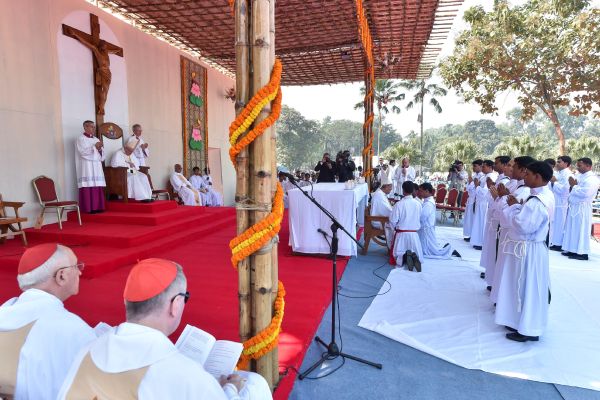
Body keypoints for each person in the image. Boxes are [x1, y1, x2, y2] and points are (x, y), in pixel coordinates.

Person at [58, 258, 272, 399]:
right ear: (175, 304)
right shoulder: (184, 374)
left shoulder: (87, 349)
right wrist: (231, 388)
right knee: (254, 384)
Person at [0, 244, 95, 400]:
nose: (80, 271)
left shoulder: (5, 311)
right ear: (61, 276)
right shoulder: (72, 329)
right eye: (76, 266)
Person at [494, 161, 555, 342]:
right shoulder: (545, 195)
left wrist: (513, 207)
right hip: (533, 248)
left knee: (527, 287)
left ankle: (528, 328)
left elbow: (523, 225)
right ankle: (522, 321)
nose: (524, 177)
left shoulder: (537, 201)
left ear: (537, 177)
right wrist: (519, 207)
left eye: (527, 174)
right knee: (526, 287)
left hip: (529, 250)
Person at [490, 156, 533, 304]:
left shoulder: (524, 191)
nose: (510, 169)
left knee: (510, 272)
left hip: (514, 236)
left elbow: (509, 215)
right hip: (508, 234)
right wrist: (502, 198)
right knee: (503, 269)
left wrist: (500, 198)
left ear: (523, 170)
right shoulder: (517, 187)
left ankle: (504, 302)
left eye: (512, 166)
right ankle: (500, 298)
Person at [480, 156, 511, 287]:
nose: (494, 164)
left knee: (496, 249)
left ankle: (493, 278)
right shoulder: (500, 179)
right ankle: (490, 273)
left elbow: (502, 201)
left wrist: (497, 197)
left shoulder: (506, 181)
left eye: (497, 163)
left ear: (504, 165)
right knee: (491, 247)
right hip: (494, 215)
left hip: (500, 219)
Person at [561, 157, 600, 260]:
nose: (577, 168)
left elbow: (586, 193)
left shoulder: (592, 179)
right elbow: (571, 188)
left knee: (581, 230)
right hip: (574, 206)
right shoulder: (580, 176)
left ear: (588, 166)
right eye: (577, 165)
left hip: (583, 208)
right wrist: (572, 187)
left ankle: (582, 253)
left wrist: (574, 186)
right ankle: (572, 249)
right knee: (572, 229)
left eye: (580, 165)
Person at [417, 183, 460, 259]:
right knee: (430, 248)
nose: (419, 193)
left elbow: (422, 217)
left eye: (421, 191)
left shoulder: (428, 204)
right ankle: (447, 249)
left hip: (426, 229)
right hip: (427, 228)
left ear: (427, 191)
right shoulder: (428, 201)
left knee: (432, 252)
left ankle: (449, 250)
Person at [389, 181, 423, 269]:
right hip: (414, 235)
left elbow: (393, 221)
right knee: (415, 251)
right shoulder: (418, 204)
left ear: (403, 191)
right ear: (413, 191)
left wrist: (394, 230)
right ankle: (414, 257)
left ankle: (403, 258)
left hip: (402, 235)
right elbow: (419, 218)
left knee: (399, 255)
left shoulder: (399, 204)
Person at [75, 120, 106, 213]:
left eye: (94, 127)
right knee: (88, 184)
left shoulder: (96, 139)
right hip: (86, 166)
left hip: (96, 166)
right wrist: (94, 147)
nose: (93, 128)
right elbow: (82, 152)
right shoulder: (81, 139)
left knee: (96, 184)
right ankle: (88, 208)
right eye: (91, 127)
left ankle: (98, 207)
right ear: (85, 127)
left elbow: (102, 155)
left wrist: (100, 149)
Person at [110, 137, 153, 202]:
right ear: (125, 148)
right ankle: (141, 197)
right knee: (134, 176)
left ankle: (147, 196)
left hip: (131, 170)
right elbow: (114, 164)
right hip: (122, 172)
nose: (130, 153)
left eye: (131, 151)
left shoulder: (131, 154)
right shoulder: (118, 153)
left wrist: (133, 165)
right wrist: (128, 165)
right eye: (129, 151)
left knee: (143, 176)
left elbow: (137, 165)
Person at [470, 160, 496, 250]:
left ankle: (481, 243)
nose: (482, 168)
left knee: (482, 222)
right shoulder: (485, 176)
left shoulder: (490, 177)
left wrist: (477, 186)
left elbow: (485, 192)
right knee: (479, 222)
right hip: (480, 202)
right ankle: (478, 241)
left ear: (490, 167)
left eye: (484, 166)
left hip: (484, 203)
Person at [548, 156, 573, 251]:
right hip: (555, 200)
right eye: (557, 162)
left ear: (566, 164)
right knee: (554, 222)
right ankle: (553, 242)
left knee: (560, 223)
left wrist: (554, 183)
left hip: (561, 202)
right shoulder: (557, 173)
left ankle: (558, 244)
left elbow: (565, 190)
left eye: (559, 162)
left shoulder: (568, 175)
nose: (557, 163)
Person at [370, 172, 394, 248]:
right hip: (378, 221)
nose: (391, 190)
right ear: (386, 186)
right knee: (398, 225)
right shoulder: (379, 196)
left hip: (380, 218)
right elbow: (387, 211)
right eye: (390, 188)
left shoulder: (380, 193)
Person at [463, 160, 484, 241]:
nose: (473, 168)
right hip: (471, 198)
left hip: (476, 199)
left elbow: (476, 188)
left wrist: (472, 183)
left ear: (480, 166)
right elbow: (468, 188)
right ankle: (469, 234)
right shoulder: (474, 175)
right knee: (469, 218)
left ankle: (473, 236)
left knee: (474, 218)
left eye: (475, 166)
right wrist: (471, 183)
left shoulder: (482, 176)